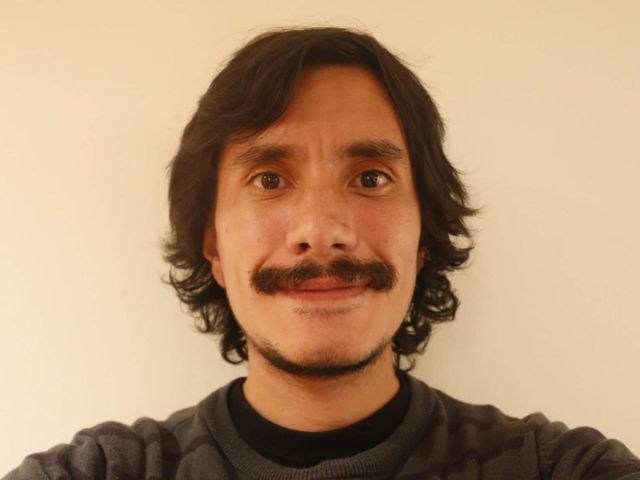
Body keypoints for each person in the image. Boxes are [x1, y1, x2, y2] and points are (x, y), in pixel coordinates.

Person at [4, 26, 639, 480]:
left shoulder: (555, 468)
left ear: (423, 237)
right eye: (269, 179)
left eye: (370, 177)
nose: (320, 230)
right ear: (213, 247)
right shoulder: (100, 471)